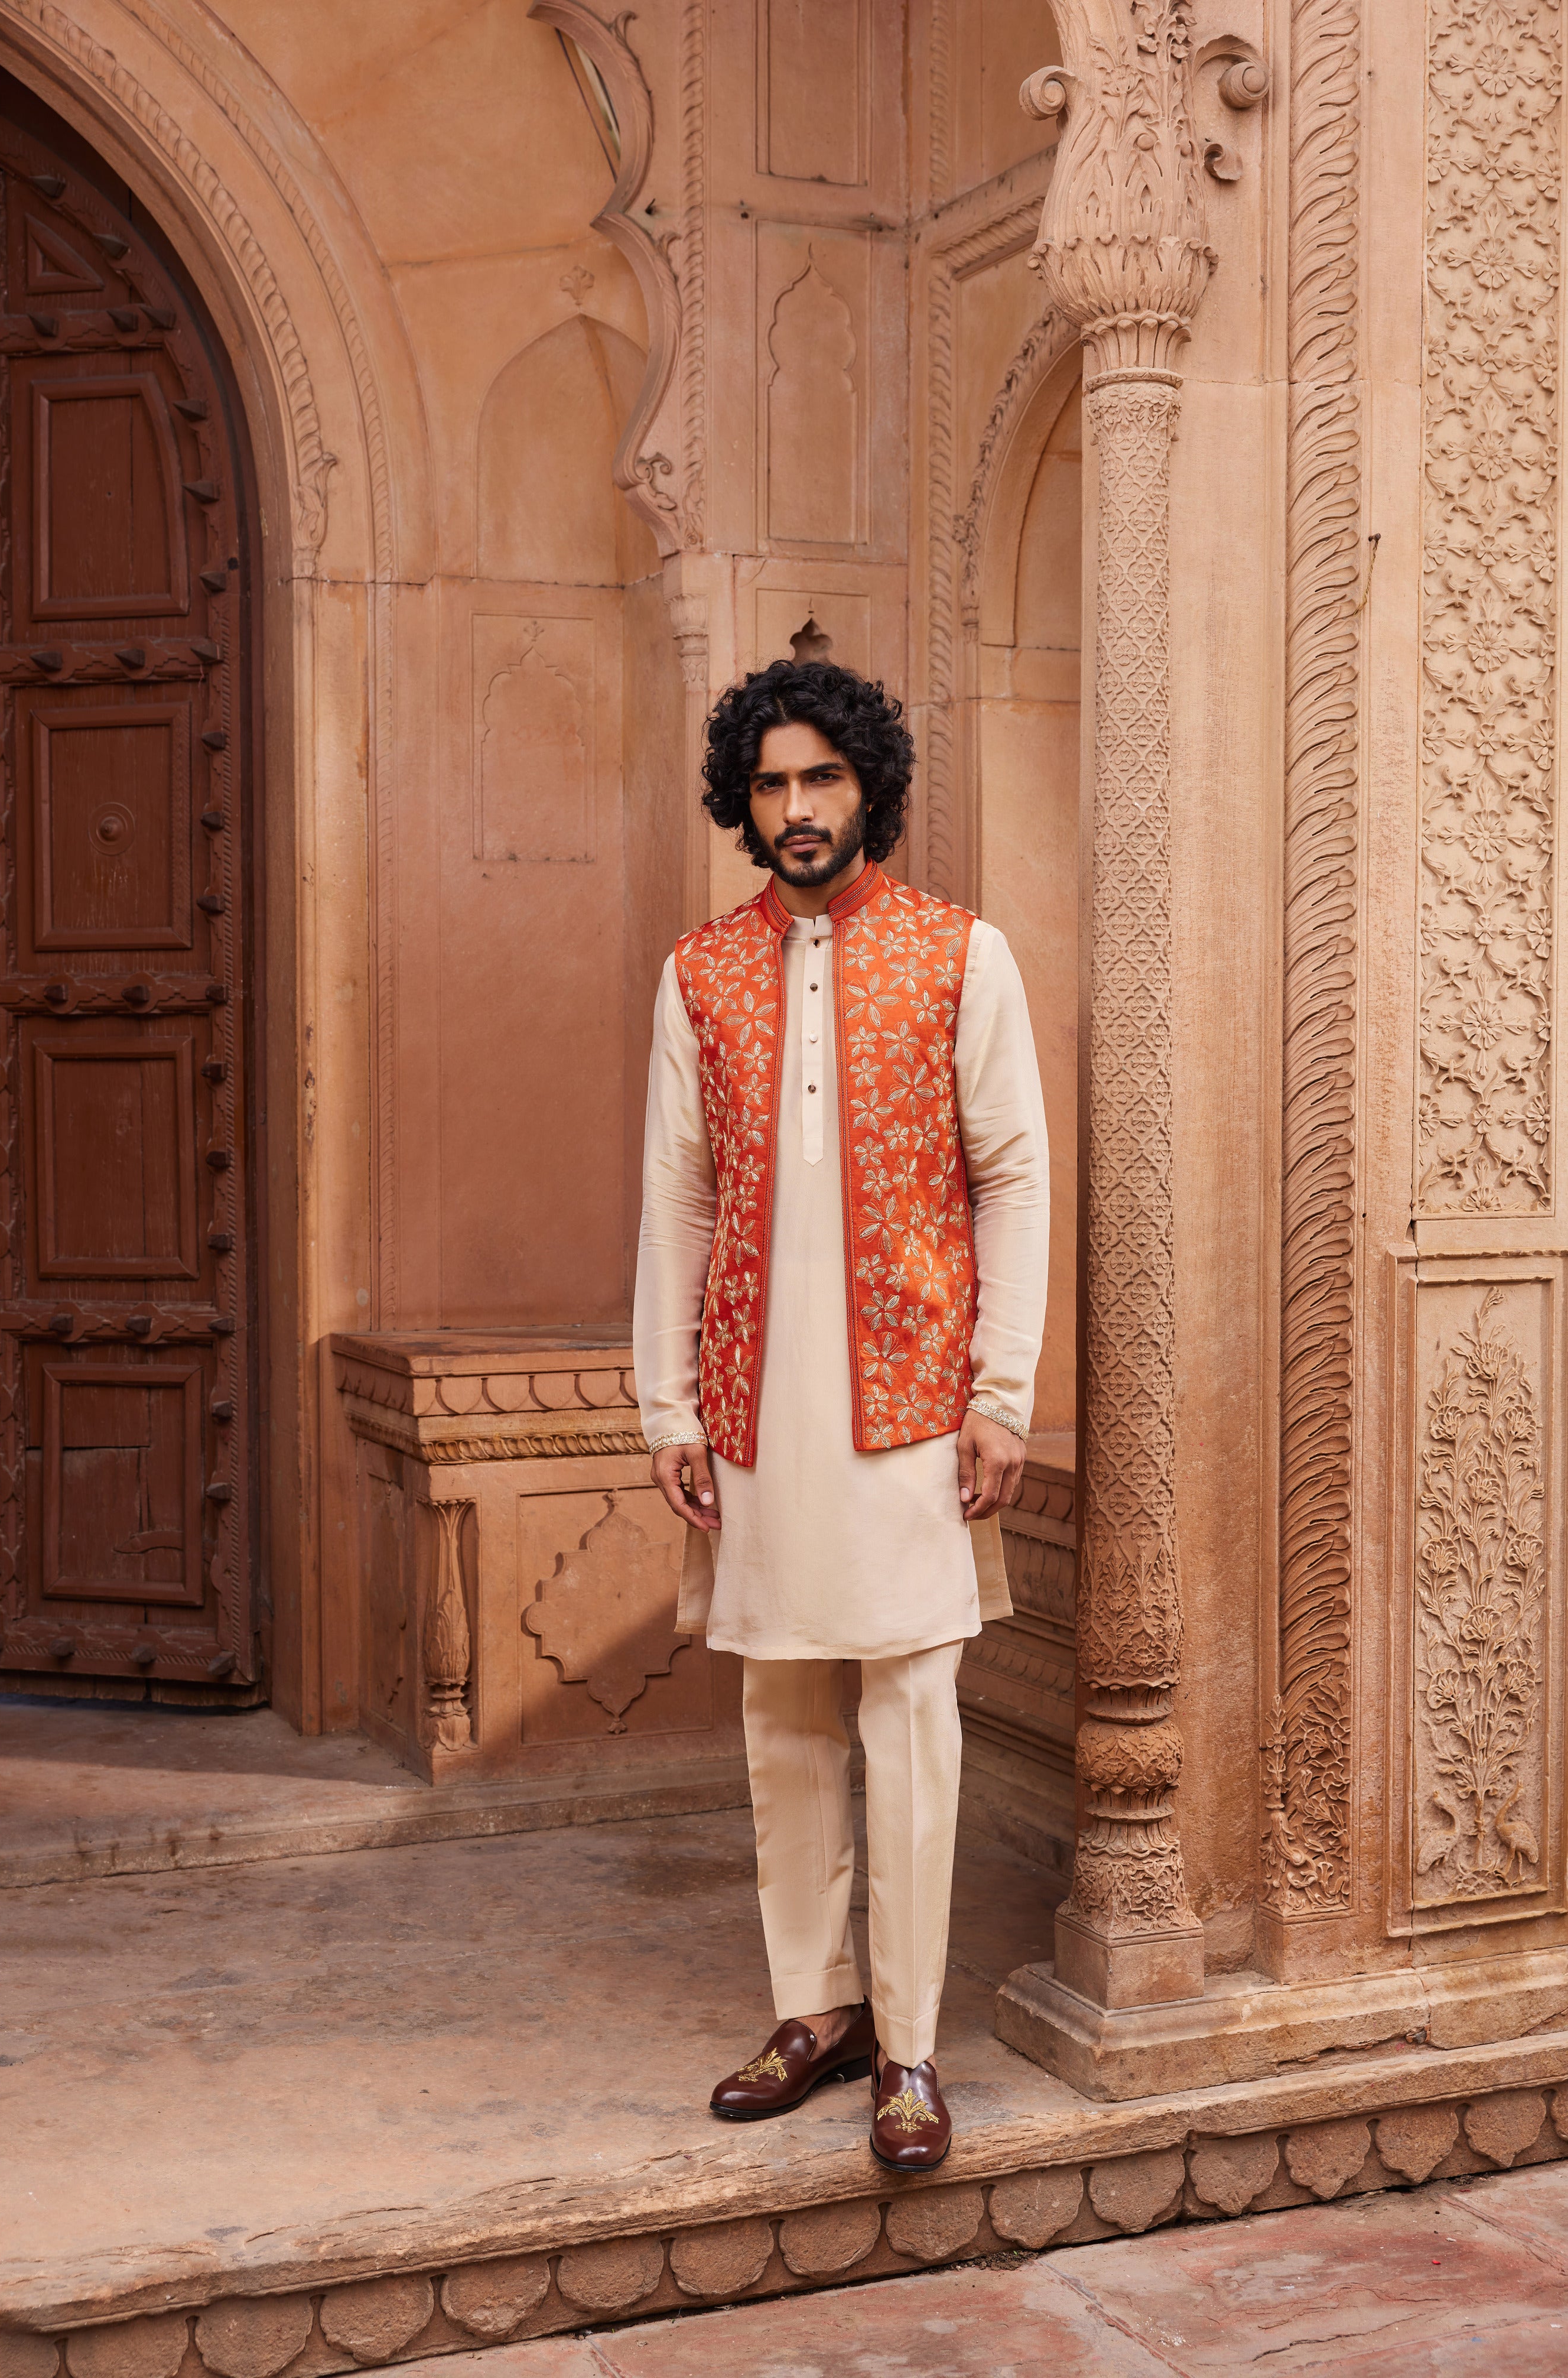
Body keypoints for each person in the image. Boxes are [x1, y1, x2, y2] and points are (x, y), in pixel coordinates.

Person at [634, 659, 1049, 2171]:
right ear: (741, 802)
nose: (797, 808)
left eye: (820, 778)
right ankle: (815, 2011)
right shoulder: (700, 970)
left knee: (911, 1711)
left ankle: (914, 2042)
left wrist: (1002, 1391)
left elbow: (1014, 1172)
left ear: (868, 781)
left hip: (915, 1404)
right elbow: (674, 1193)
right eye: (769, 784)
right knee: (780, 1709)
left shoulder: (958, 955)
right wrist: (664, 1399)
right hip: (754, 1405)